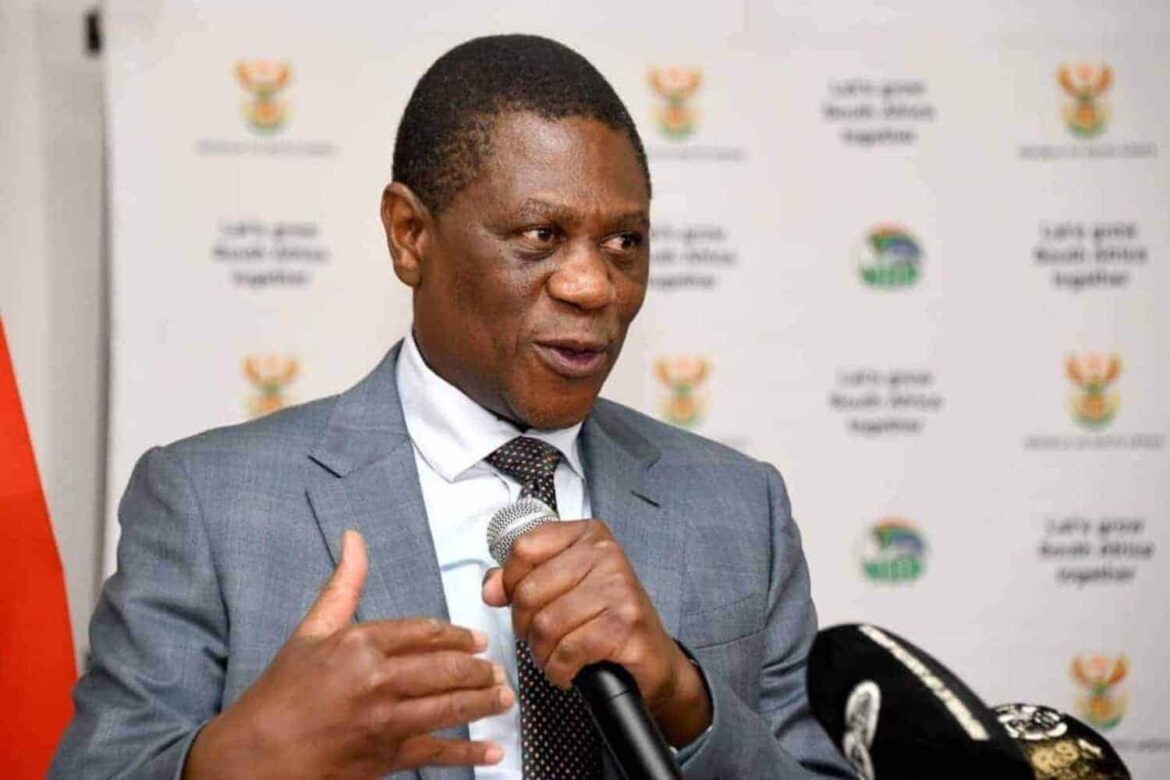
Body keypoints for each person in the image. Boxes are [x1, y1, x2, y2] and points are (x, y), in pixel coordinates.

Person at [52, 34, 853, 779]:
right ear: (410, 234)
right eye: (540, 235)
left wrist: (684, 698)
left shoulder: (738, 506)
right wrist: (242, 755)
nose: (593, 285)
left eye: (624, 243)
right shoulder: (210, 502)